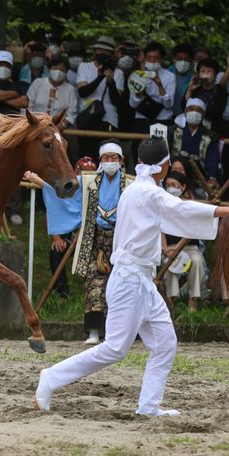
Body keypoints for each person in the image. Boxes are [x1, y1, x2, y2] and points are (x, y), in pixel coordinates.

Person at [36, 138, 229, 417]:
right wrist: (228, 210)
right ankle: (52, 377)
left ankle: (149, 406)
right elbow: (180, 209)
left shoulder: (138, 189)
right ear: (164, 165)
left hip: (140, 280)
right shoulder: (145, 192)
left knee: (165, 343)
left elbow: (171, 213)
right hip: (130, 280)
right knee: (115, 348)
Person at [72, 141, 131, 344]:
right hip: (95, 240)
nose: (110, 162)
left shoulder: (130, 183)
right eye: (106, 158)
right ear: (100, 160)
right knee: (94, 284)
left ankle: (118, 333)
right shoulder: (90, 181)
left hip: (121, 240)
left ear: (121, 161)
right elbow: (67, 189)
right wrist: (40, 181)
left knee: (122, 285)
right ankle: (94, 331)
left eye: (114, 158)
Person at [24, 159, 86, 300]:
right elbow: (52, 195)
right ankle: (62, 291)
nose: (83, 175)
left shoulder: (96, 186)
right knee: (56, 252)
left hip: (92, 235)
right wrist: (56, 238)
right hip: (69, 234)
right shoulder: (70, 185)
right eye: (81, 171)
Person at [159, 171, 208, 311]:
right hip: (169, 247)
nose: (170, 188)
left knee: (197, 260)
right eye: (167, 185)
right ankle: (171, 300)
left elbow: (191, 230)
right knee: (167, 262)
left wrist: (178, 249)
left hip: (189, 247)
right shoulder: (162, 205)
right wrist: (165, 248)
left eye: (174, 185)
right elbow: (160, 228)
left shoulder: (189, 205)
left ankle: (193, 300)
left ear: (182, 187)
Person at [171, 97, 223, 185]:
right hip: (175, 176)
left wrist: (212, 176)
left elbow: (212, 160)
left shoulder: (210, 136)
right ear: (185, 111)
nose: (194, 112)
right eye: (190, 109)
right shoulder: (173, 131)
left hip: (200, 179)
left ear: (203, 114)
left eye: (198, 110)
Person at [26, 57, 78, 125]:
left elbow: (71, 114)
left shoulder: (70, 89)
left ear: (66, 72)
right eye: (55, 68)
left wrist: (62, 125)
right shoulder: (37, 83)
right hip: (35, 127)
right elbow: (27, 106)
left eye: (61, 69)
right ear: (49, 69)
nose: (58, 72)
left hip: (58, 129)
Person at [0, 50, 28, 116]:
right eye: (0, 64)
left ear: (11, 68)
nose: (3, 67)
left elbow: (24, 102)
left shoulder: (18, 85)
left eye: (7, 65)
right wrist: (14, 94)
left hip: (13, 124)